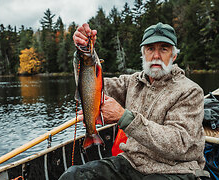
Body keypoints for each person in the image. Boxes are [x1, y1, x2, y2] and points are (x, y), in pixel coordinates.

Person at [59, 22, 207, 180]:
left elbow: (179, 143)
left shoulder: (190, 91)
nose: (156, 56)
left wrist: (124, 118)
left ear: (174, 55)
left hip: (176, 169)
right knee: (73, 176)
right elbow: (92, 88)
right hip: (132, 163)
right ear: (143, 53)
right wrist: (82, 54)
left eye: (163, 49)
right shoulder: (133, 82)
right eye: (150, 49)